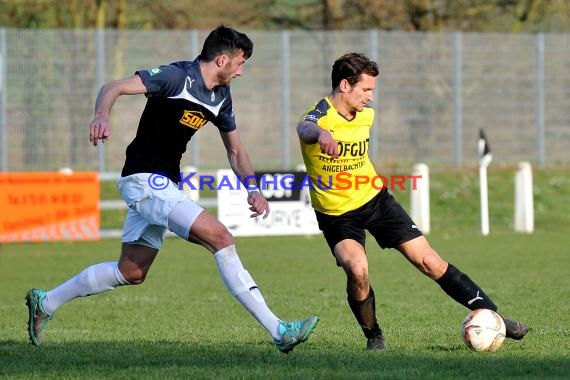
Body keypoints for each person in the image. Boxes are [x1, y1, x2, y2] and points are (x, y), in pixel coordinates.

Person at [25, 25, 318, 353]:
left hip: (164, 183)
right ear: (222, 60)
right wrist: (101, 116)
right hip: (143, 180)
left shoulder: (221, 97)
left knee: (131, 271)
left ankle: (45, 303)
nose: (242, 71)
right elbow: (114, 87)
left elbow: (235, 150)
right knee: (221, 237)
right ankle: (279, 330)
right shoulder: (176, 77)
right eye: (240, 63)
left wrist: (253, 188)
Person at [296, 52, 528, 350]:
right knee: (357, 269)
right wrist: (322, 135)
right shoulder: (319, 114)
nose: (370, 97)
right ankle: (374, 336)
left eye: (372, 90)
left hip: (375, 200)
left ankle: (496, 317)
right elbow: (305, 127)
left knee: (430, 261)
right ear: (344, 85)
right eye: (366, 90)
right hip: (336, 214)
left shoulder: (366, 115)